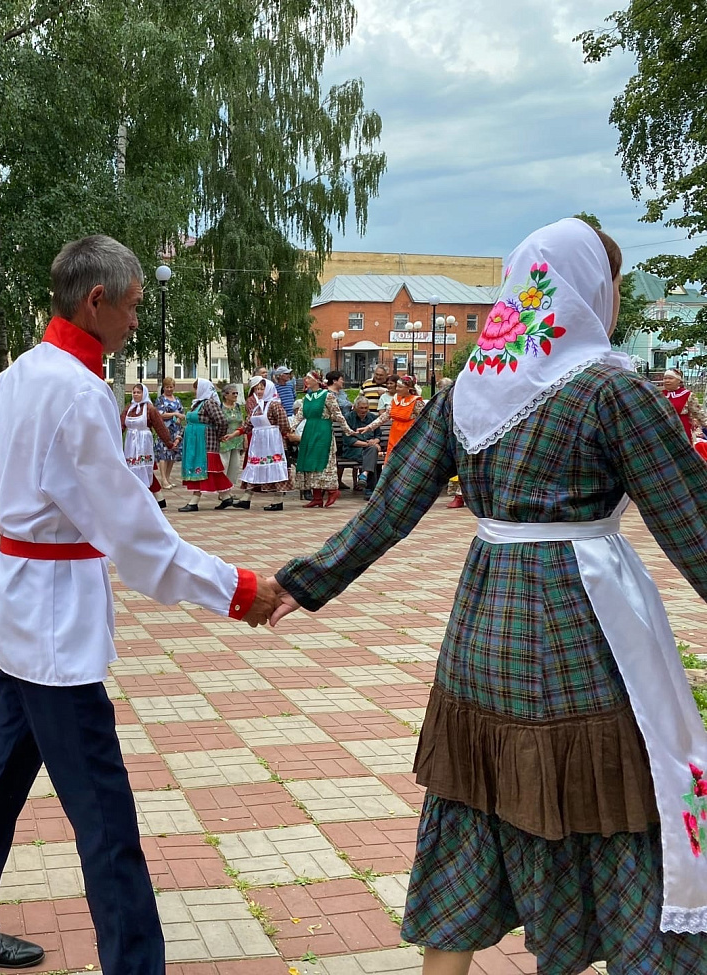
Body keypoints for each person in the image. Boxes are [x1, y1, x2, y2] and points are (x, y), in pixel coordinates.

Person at [269, 217, 707, 975]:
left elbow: (392, 504)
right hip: (582, 633)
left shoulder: (473, 388)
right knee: (614, 800)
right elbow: (693, 525)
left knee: (471, 803)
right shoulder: (611, 388)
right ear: (586, 293)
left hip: (482, 631)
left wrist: (302, 581)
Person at [0, 235, 276, 973]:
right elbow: (137, 537)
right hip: (52, 623)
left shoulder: (23, 374)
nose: (138, 322)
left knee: (4, 772)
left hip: (27, 608)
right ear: (97, 301)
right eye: (135, 307)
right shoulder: (77, 391)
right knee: (105, 816)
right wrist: (238, 589)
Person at [233, 376, 293, 510]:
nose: (259, 391)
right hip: (259, 444)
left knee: (277, 469)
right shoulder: (257, 407)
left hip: (274, 443)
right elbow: (248, 424)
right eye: (257, 389)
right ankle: (246, 498)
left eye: (262, 388)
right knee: (254, 468)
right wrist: (234, 434)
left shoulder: (275, 405)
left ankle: (278, 500)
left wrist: (281, 435)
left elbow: (284, 424)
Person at [292, 371, 348, 507]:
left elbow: (338, 414)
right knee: (310, 462)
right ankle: (317, 497)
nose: (306, 380)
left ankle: (332, 490)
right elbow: (300, 415)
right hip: (309, 431)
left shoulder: (327, 396)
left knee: (324, 463)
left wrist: (348, 430)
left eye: (309, 378)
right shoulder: (307, 398)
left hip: (323, 432)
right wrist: (290, 427)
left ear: (317, 381)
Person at [179, 378, 236, 511]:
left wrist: (219, 435)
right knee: (212, 472)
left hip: (206, 442)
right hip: (195, 443)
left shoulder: (209, 403)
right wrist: (179, 437)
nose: (194, 391)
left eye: (196, 388)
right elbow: (189, 423)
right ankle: (226, 497)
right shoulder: (196, 404)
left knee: (207, 469)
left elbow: (221, 420)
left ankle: (194, 500)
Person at [122, 382, 176, 508]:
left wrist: (168, 442)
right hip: (131, 441)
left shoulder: (150, 409)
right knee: (131, 469)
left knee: (144, 469)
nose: (136, 395)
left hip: (144, 441)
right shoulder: (129, 408)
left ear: (144, 393)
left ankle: (154, 497)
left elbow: (160, 426)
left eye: (138, 392)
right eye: (134, 392)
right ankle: (152, 498)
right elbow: (121, 423)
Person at [338, 396, 385, 496]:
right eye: (361, 408)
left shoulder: (372, 417)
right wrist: (370, 444)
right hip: (353, 449)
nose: (364, 410)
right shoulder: (348, 418)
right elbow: (349, 440)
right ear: (355, 407)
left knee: (371, 453)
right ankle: (370, 490)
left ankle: (364, 476)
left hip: (369, 449)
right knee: (372, 454)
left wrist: (375, 442)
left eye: (366, 408)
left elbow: (378, 435)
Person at [153, 376, 185, 488]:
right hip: (164, 430)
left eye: (171, 387)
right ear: (163, 387)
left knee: (172, 454)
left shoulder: (177, 399)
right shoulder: (160, 400)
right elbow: (160, 414)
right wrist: (174, 414)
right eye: (167, 387)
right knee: (163, 454)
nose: (169, 389)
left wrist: (180, 418)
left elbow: (182, 412)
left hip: (175, 430)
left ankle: (167, 478)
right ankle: (163, 479)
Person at [662, 367, 706, 442]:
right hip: (663, 430)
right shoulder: (659, 395)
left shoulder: (687, 395)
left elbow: (699, 413)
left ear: (679, 380)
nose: (667, 381)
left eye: (670, 378)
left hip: (682, 431)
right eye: (665, 378)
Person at [218, 382, 248, 489]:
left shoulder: (238, 407)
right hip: (224, 441)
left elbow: (242, 423)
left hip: (237, 441)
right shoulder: (220, 407)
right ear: (225, 395)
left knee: (234, 467)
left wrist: (245, 439)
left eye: (237, 393)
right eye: (233, 393)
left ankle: (229, 488)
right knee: (224, 465)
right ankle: (222, 489)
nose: (235, 395)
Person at [384, 375, 424, 455]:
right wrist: (369, 427)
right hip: (394, 435)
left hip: (409, 436)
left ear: (408, 388)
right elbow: (385, 416)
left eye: (400, 387)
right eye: (397, 386)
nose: (397, 389)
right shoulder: (396, 399)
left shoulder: (416, 402)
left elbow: (425, 419)